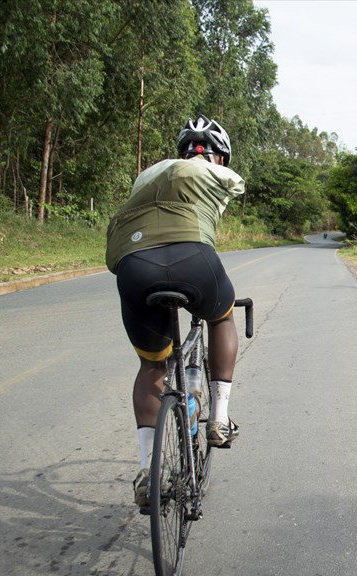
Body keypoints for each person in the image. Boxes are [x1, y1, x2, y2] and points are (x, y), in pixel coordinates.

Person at [106, 116, 245, 508]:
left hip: (132, 262)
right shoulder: (216, 172)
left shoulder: (149, 174)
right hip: (192, 257)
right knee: (222, 315)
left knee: (152, 367)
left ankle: (148, 473)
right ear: (219, 156)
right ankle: (218, 419)